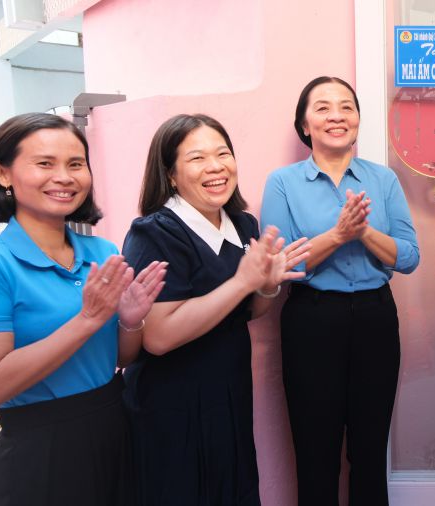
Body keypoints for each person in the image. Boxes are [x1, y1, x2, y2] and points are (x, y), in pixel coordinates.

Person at [0, 113, 166, 506]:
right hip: (40, 448)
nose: (64, 176)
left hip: (114, 427)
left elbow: (117, 358)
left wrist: (131, 322)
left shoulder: (103, 253)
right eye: (45, 163)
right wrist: (87, 320)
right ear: (2, 173)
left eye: (76, 164)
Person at [121, 114, 309, 505]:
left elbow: (246, 313)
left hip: (230, 393)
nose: (215, 167)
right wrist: (242, 281)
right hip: (171, 404)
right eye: (197, 158)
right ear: (170, 174)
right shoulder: (154, 234)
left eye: (223, 153)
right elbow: (157, 338)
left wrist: (268, 285)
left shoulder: (242, 225)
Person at [260, 76, 419, 506]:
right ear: (305, 124)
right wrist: (339, 234)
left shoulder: (382, 180)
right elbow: (280, 266)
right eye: (323, 107)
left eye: (347, 106)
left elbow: (407, 256)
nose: (337, 115)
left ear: (359, 120)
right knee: (315, 452)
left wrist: (364, 233)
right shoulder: (283, 183)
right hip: (311, 319)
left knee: (370, 451)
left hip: (375, 318)